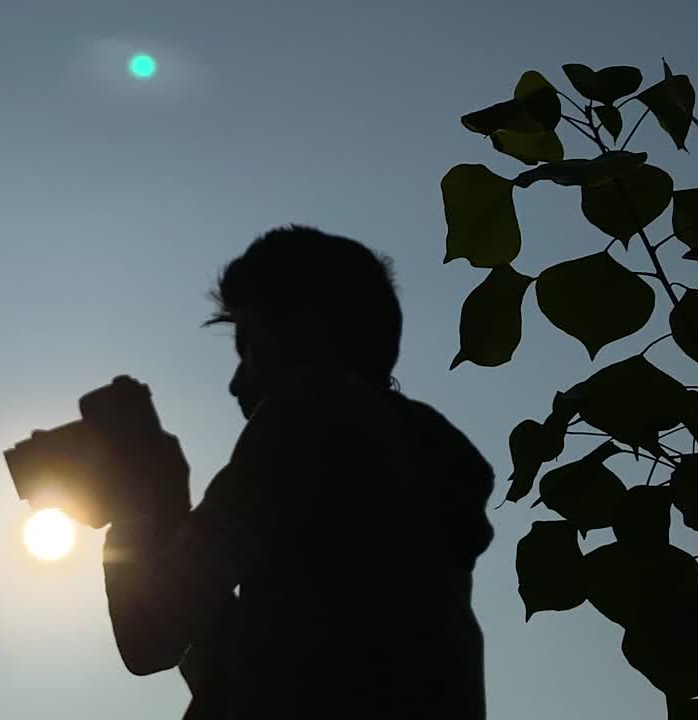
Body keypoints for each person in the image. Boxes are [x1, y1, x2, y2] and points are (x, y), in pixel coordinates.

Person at [101, 225, 494, 719]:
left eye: (250, 347)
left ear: (310, 329)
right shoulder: (418, 473)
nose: (236, 382)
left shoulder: (309, 408)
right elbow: (240, 671)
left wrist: (133, 509)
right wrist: (168, 507)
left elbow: (148, 637)